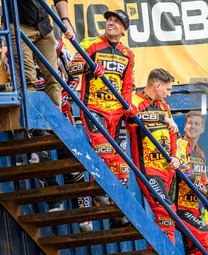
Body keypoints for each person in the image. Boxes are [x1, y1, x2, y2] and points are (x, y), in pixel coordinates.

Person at [69, 9, 135, 222]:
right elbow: (72, 67)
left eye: (117, 22)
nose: (111, 23)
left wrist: (129, 107)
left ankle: (117, 211)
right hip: (94, 108)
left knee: (122, 164)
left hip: (117, 113)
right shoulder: (91, 43)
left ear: (123, 30)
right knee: (104, 151)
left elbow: (128, 85)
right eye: (109, 20)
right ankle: (98, 193)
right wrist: (89, 65)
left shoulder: (128, 54)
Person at [126, 68, 180, 244]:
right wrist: (161, 118)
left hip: (168, 170)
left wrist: (176, 157)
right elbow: (131, 118)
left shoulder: (165, 107)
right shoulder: (135, 100)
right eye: (168, 89)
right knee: (166, 210)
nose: (169, 94)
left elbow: (174, 134)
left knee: (168, 217)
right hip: (148, 167)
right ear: (157, 86)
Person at [6, 0, 75, 110]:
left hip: (44, 26)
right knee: (28, 79)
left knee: (53, 76)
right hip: (18, 25)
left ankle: (55, 122)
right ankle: (33, 123)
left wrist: (65, 20)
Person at [176, 111, 208, 254]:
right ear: (184, 126)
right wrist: (206, 194)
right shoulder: (178, 145)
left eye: (197, 124)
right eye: (189, 123)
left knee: (194, 251)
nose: (192, 127)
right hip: (179, 208)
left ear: (202, 129)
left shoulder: (201, 153)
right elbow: (187, 174)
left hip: (194, 210)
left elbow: (204, 180)